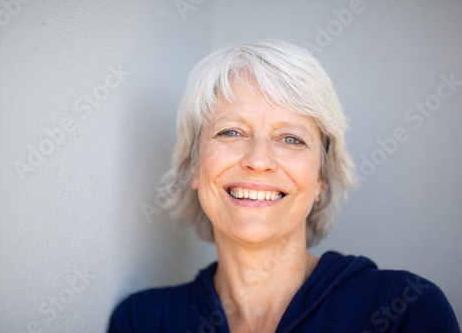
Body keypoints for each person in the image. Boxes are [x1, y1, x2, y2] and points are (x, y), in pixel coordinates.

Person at [108, 39, 460, 332]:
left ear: (321, 178)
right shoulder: (142, 321)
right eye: (231, 132)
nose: (259, 160)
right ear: (193, 166)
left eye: (290, 139)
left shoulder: (405, 310)